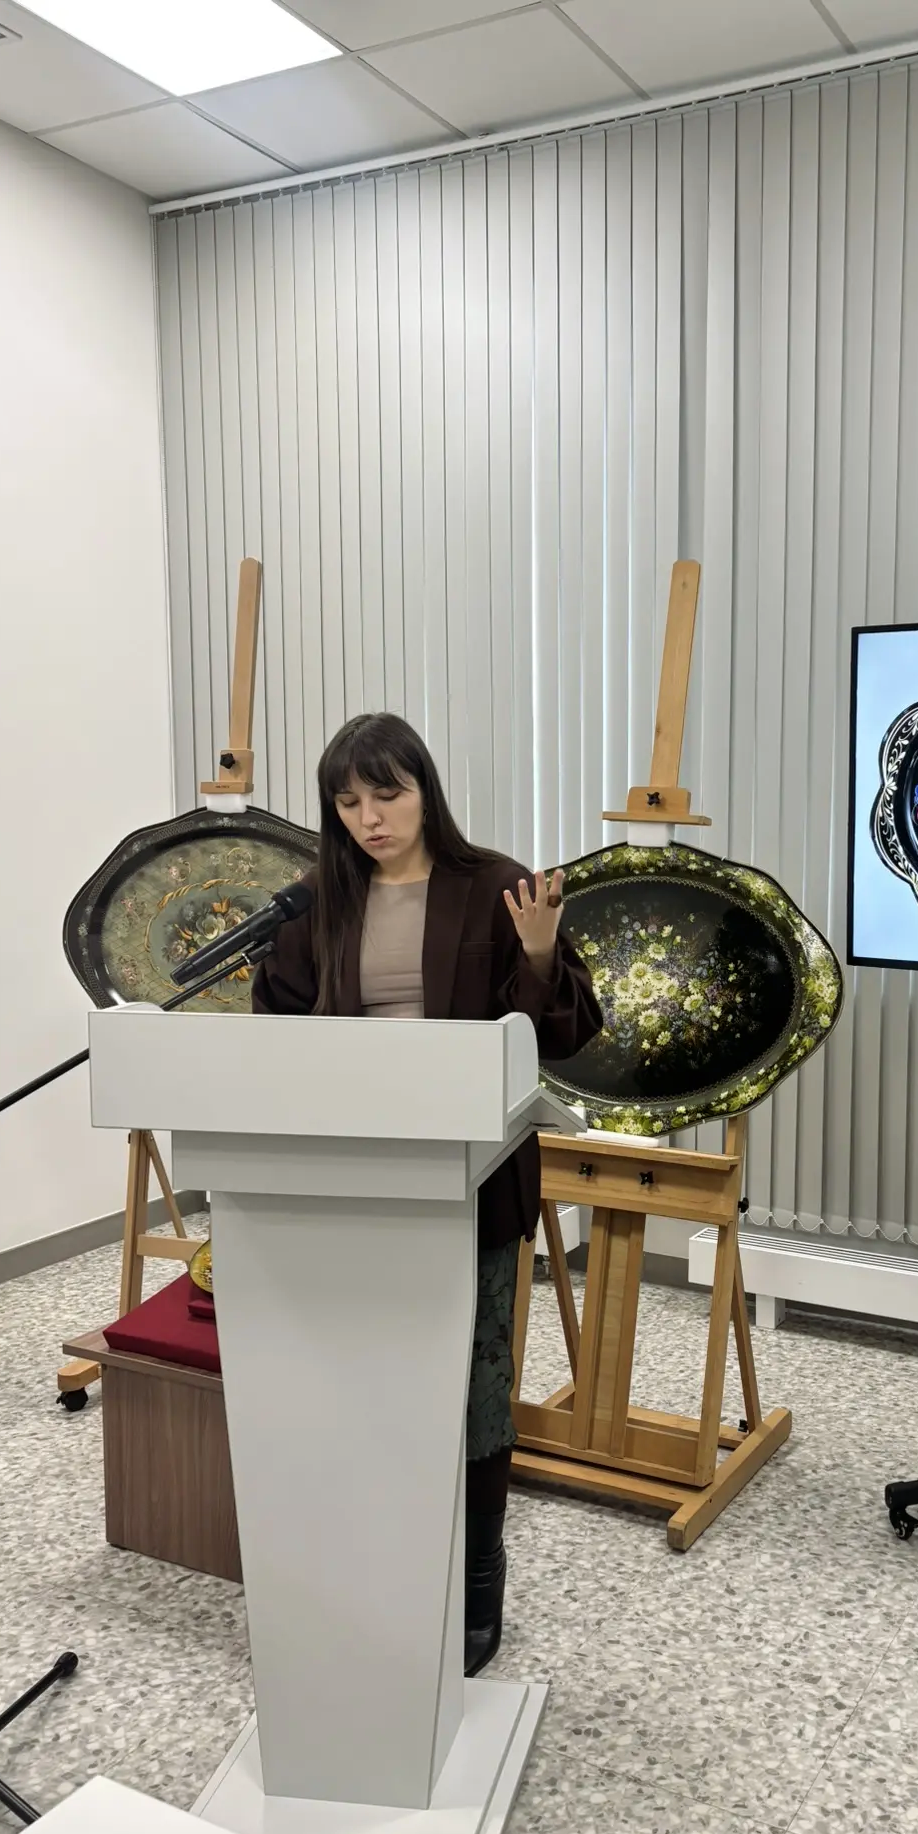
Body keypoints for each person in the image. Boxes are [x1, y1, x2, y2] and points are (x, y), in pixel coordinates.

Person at [251, 712, 602, 1676]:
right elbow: (277, 1025)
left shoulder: (495, 885)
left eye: (387, 794)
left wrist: (539, 956)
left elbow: (564, 1036)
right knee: (366, 1374)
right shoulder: (317, 901)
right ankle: (381, 1554)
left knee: (476, 1384)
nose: (369, 818)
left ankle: (480, 1569)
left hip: (469, 1175)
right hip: (353, 1175)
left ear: (425, 791)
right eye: (348, 801)